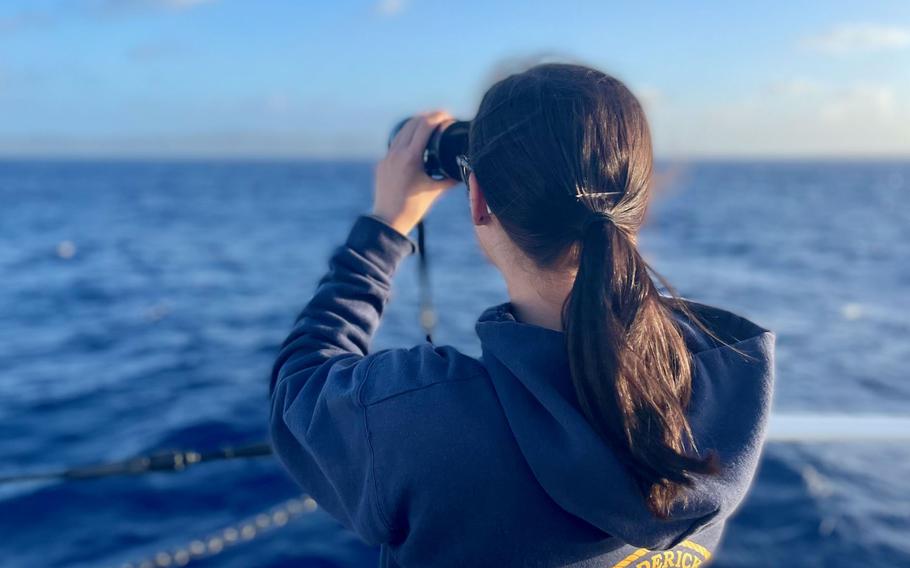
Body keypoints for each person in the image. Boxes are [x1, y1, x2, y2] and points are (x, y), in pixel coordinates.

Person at [269, 62, 775, 567]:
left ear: (479, 201)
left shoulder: (424, 423)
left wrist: (385, 223)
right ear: (638, 202)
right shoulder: (723, 371)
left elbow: (299, 390)